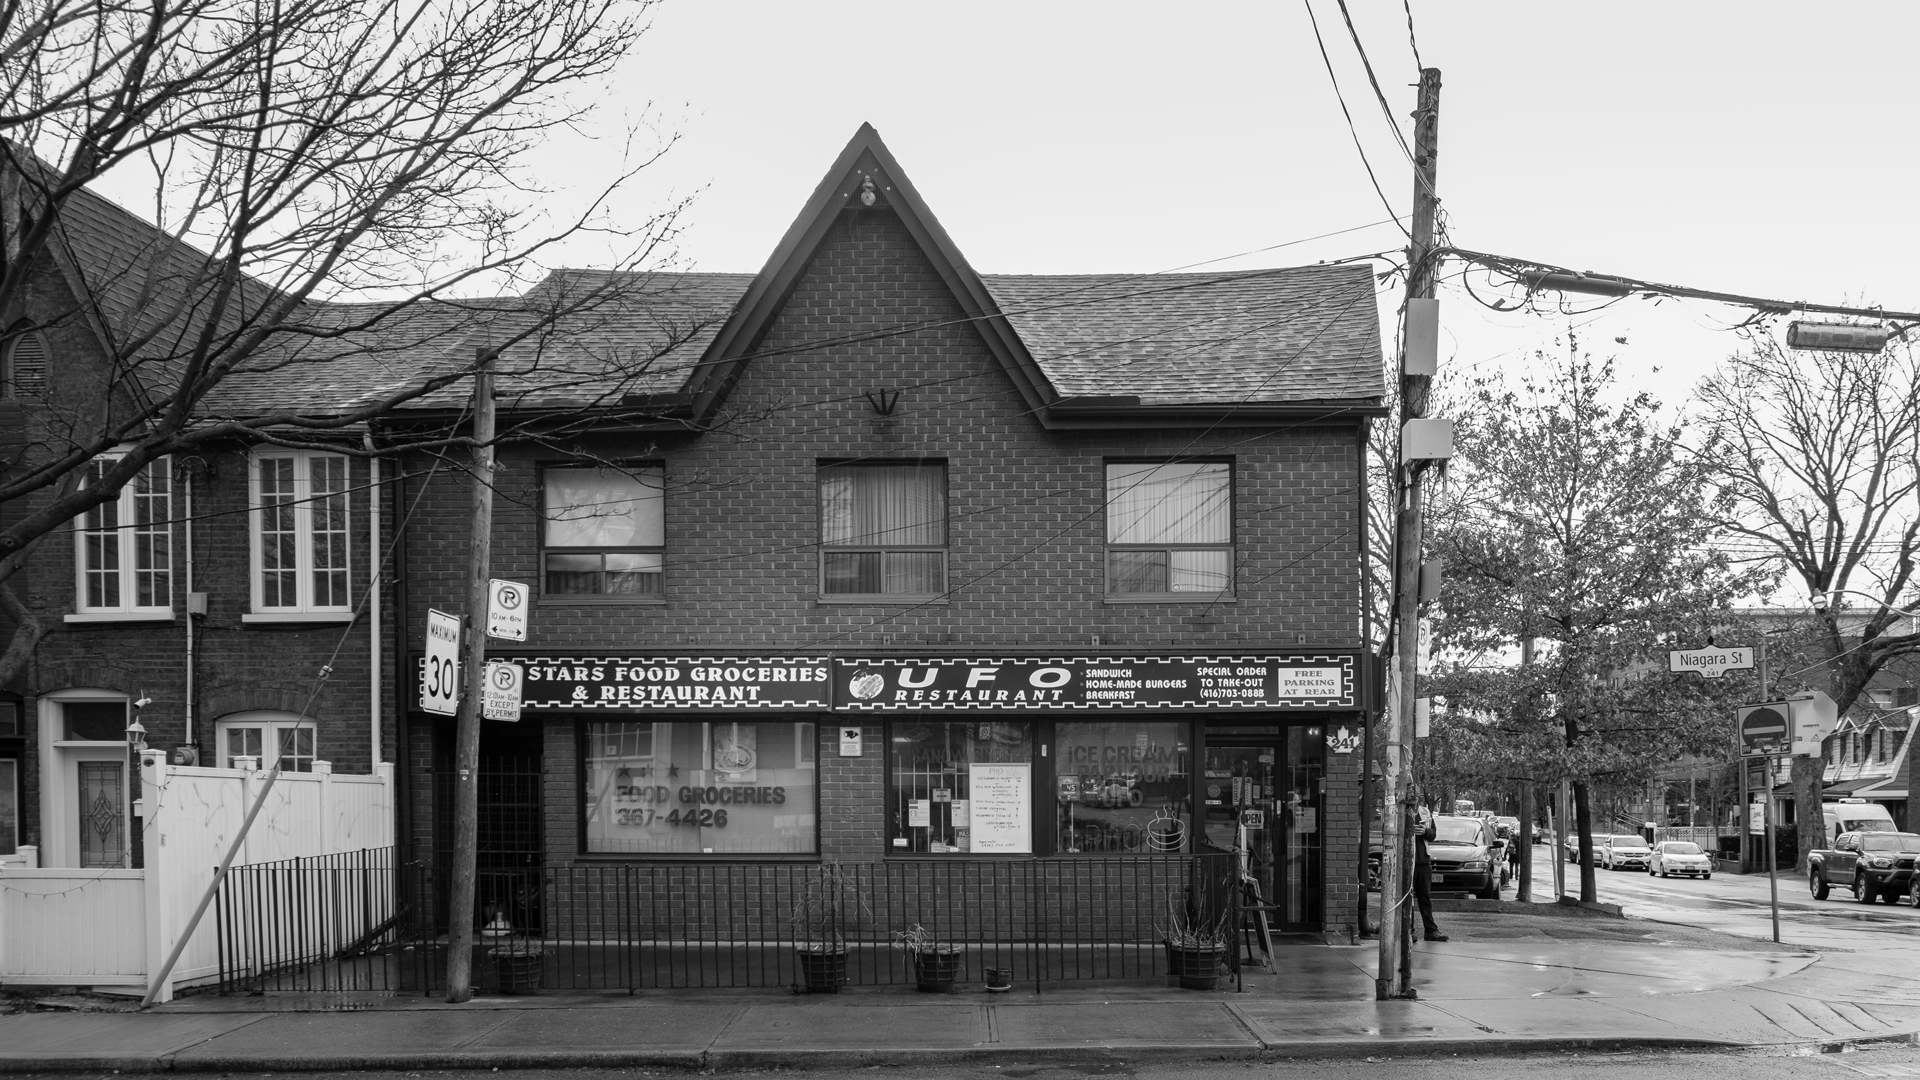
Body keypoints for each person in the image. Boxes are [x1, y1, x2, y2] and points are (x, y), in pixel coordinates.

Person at [1412, 803, 1446, 942]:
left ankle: (1431, 931)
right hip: (1407, 861)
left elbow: (1433, 834)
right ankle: (1408, 930)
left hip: (1424, 861)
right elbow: (1389, 829)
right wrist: (1409, 829)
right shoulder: (1396, 809)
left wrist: (1424, 831)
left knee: (1425, 897)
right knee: (1406, 898)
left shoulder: (1424, 811)